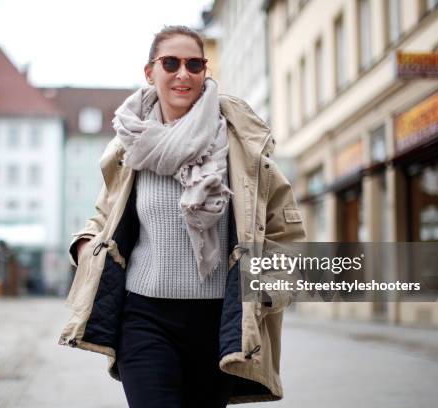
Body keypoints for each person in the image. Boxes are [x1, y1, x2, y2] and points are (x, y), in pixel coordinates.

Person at [59, 25, 306, 407]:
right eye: (170, 63)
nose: (183, 74)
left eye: (195, 64)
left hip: (220, 321)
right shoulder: (129, 145)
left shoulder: (240, 144)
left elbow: (283, 228)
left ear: (205, 71)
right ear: (150, 72)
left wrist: (271, 285)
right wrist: (86, 252)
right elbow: (102, 218)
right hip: (144, 318)